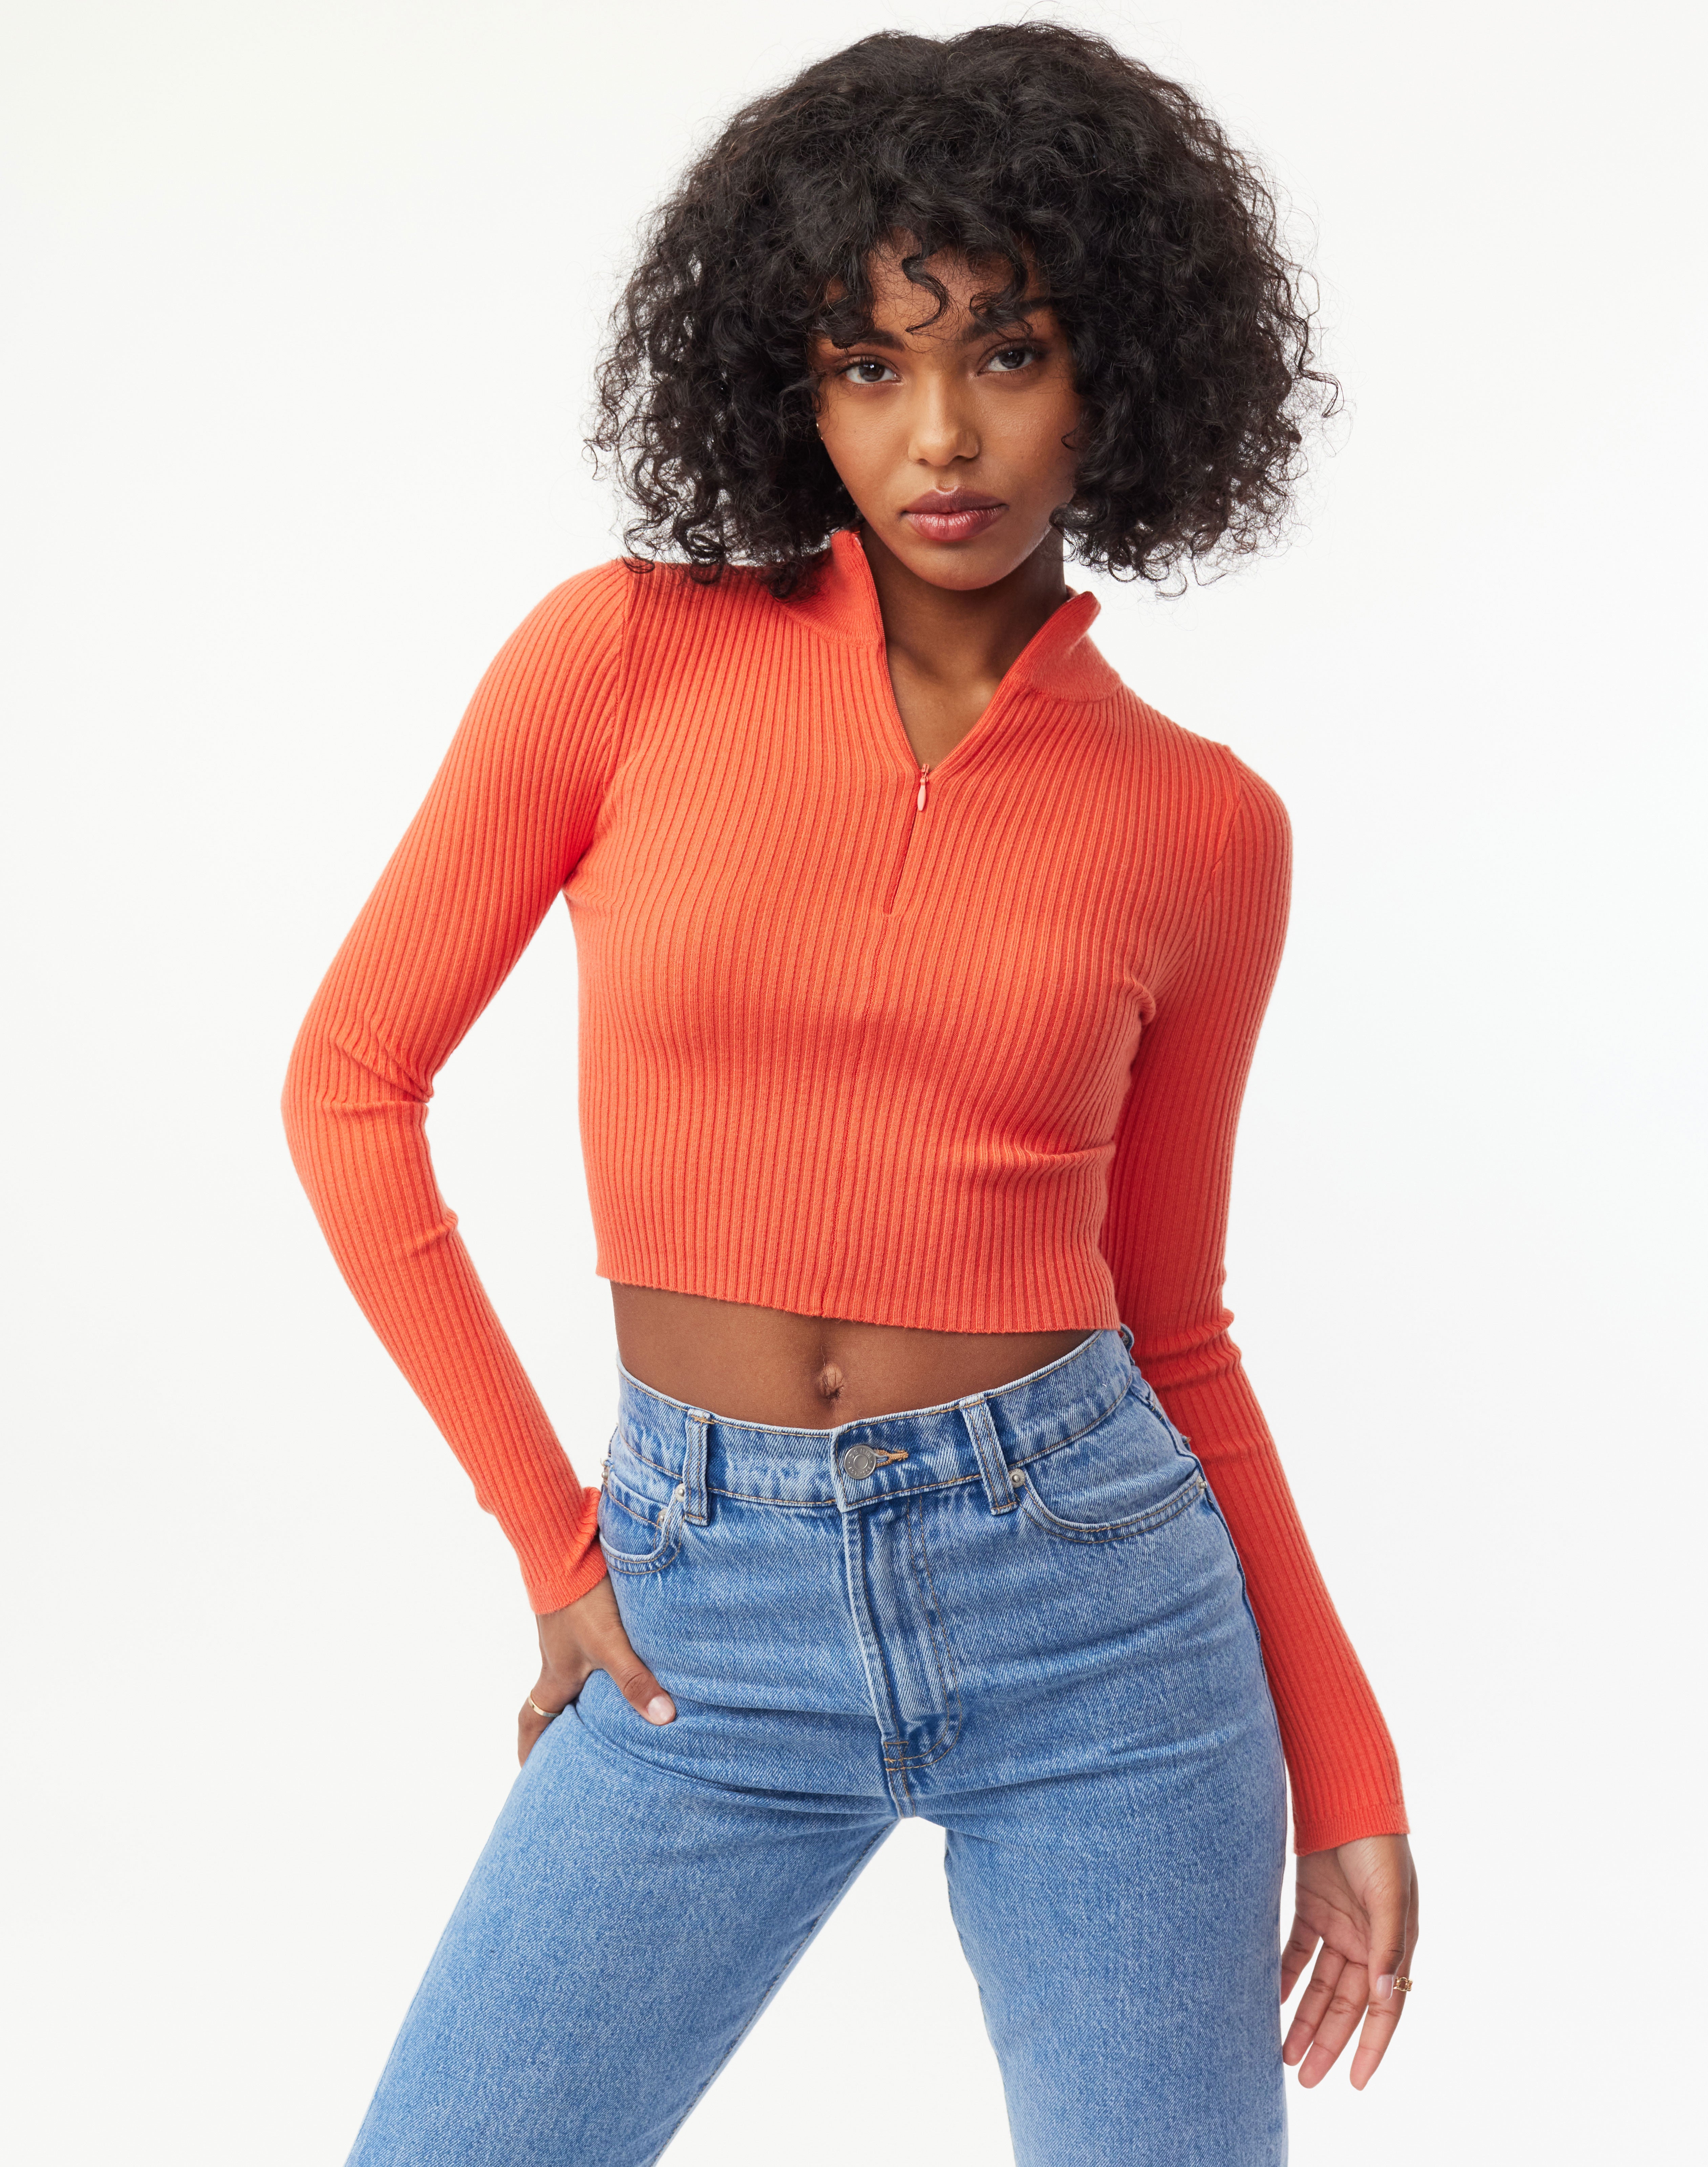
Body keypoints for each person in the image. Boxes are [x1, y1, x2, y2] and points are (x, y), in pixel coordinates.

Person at [284, 24, 1418, 2165]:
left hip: (1095, 1620)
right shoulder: (620, 658)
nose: (940, 435)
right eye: (867, 365)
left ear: (1117, 375)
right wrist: (554, 1537)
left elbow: (1173, 1329)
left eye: (1007, 354)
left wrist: (1343, 1768)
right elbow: (351, 1087)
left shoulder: (1202, 826)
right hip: (697, 1605)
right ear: (785, 388)